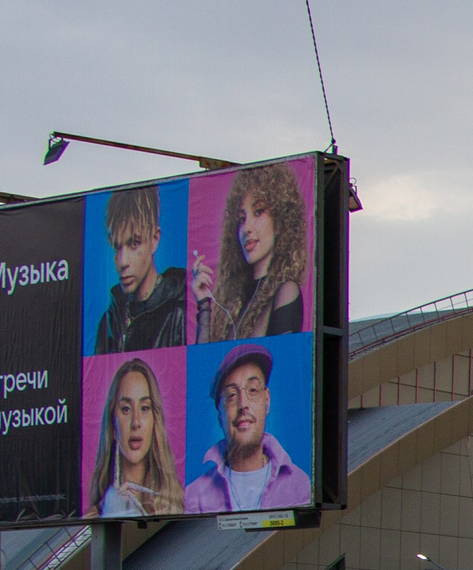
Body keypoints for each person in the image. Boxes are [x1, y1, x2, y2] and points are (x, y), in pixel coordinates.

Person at [182, 347, 313, 513]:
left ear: (267, 401)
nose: (243, 404)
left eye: (252, 390)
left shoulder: (299, 484)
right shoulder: (194, 496)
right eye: (231, 395)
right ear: (220, 415)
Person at [191, 161, 309, 341]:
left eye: (258, 212)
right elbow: (202, 364)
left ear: (280, 220)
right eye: (241, 219)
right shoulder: (232, 301)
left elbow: (282, 364)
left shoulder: (285, 291)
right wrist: (203, 304)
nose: (247, 228)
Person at [94, 186, 190, 351]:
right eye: (117, 247)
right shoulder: (110, 321)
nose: (123, 261)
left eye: (134, 243)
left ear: (155, 239)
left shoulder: (179, 313)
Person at [91, 358, 185, 517]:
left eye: (144, 408)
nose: (136, 422)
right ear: (113, 425)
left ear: (155, 420)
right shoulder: (96, 514)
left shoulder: (180, 504)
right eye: (126, 409)